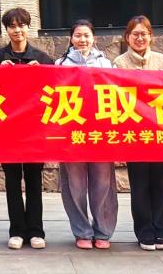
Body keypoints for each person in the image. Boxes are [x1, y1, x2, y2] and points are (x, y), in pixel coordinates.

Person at [0, 7, 52, 250]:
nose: (17, 30)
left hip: (34, 131)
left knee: (34, 180)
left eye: (21, 25)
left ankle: (36, 230)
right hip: (8, 131)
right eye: (12, 26)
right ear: (6, 30)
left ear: (28, 27)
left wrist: (41, 74)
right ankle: (16, 230)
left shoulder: (43, 59)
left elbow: (56, 92)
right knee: (12, 181)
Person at [54, 19, 118, 250]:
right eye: (78, 35)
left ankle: (103, 231)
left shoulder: (106, 63)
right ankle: (81, 231)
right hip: (72, 132)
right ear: (71, 39)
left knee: (103, 181)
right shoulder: (60, 64)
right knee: (75, 183)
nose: (82, 39)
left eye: (86, 35)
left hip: (100, 132)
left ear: (94, 38)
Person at [114, 15, 163, 251]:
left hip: (159, 131)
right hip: (134, 132)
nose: (139, 38)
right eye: (134, 34)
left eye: (144, 34)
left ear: (151, 36)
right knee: (139, 184)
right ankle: (144, 231)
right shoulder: (119, 63)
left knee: (160, 182)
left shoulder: (161, 60)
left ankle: (161, 230)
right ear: (127, 37)